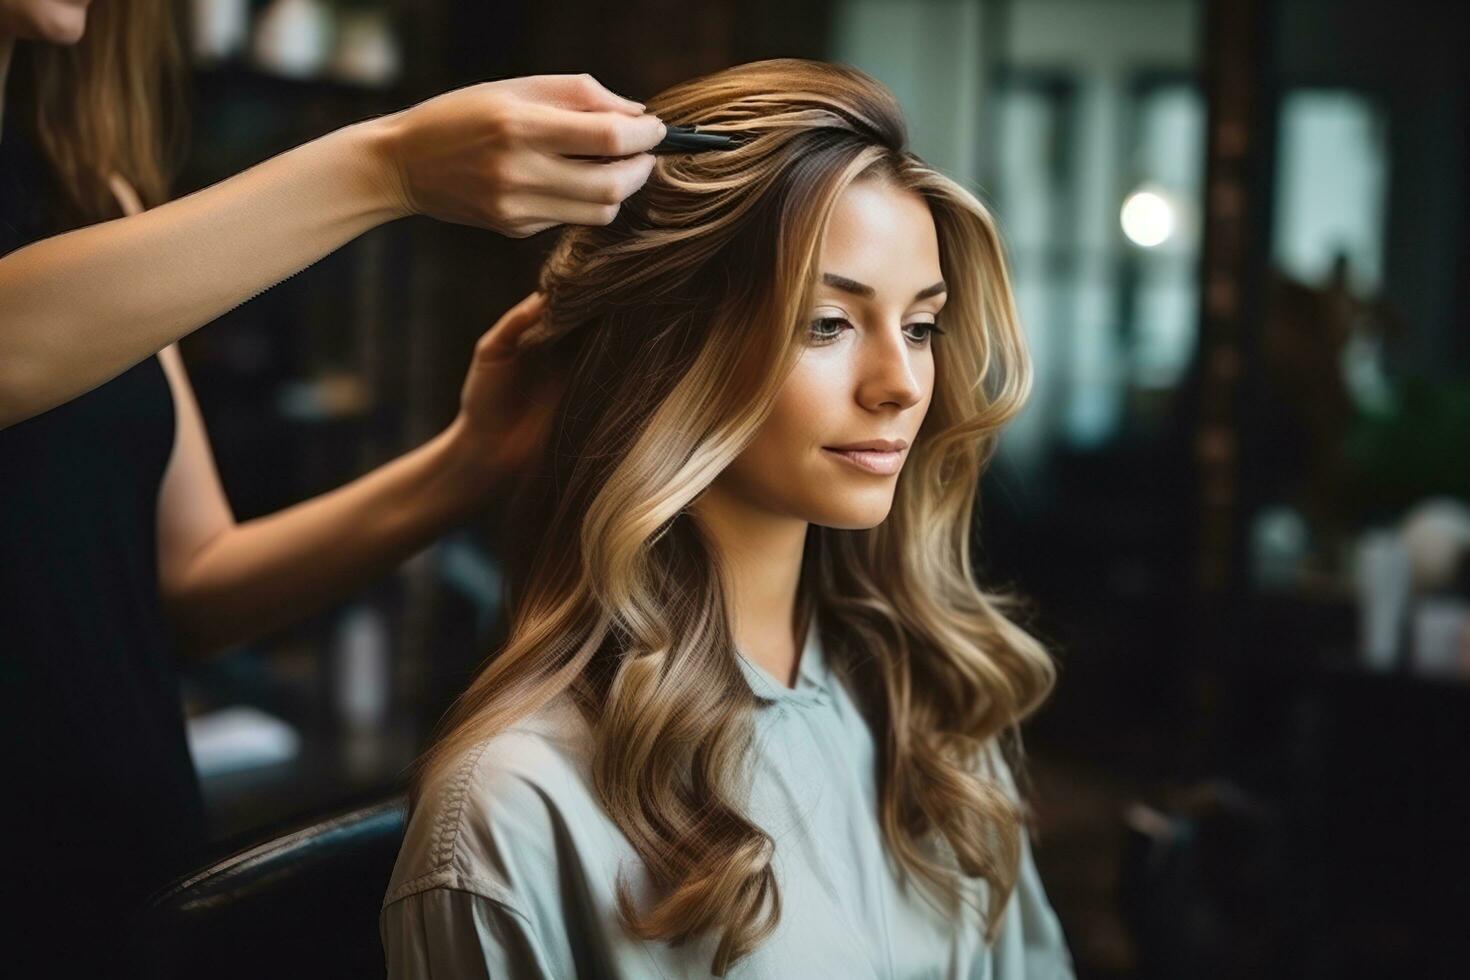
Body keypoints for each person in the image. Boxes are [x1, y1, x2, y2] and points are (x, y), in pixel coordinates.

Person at [0, 0, 665, 975]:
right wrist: (385, 166)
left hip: (126, 890)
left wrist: (469, 460)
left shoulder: (88, 197)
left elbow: (194, 582)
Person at [381, 58, 1077, 978]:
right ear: (671, 351)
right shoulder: (515, 811)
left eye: (920, 326)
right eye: (827, 323)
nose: (902, 384)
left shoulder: (932, 719)